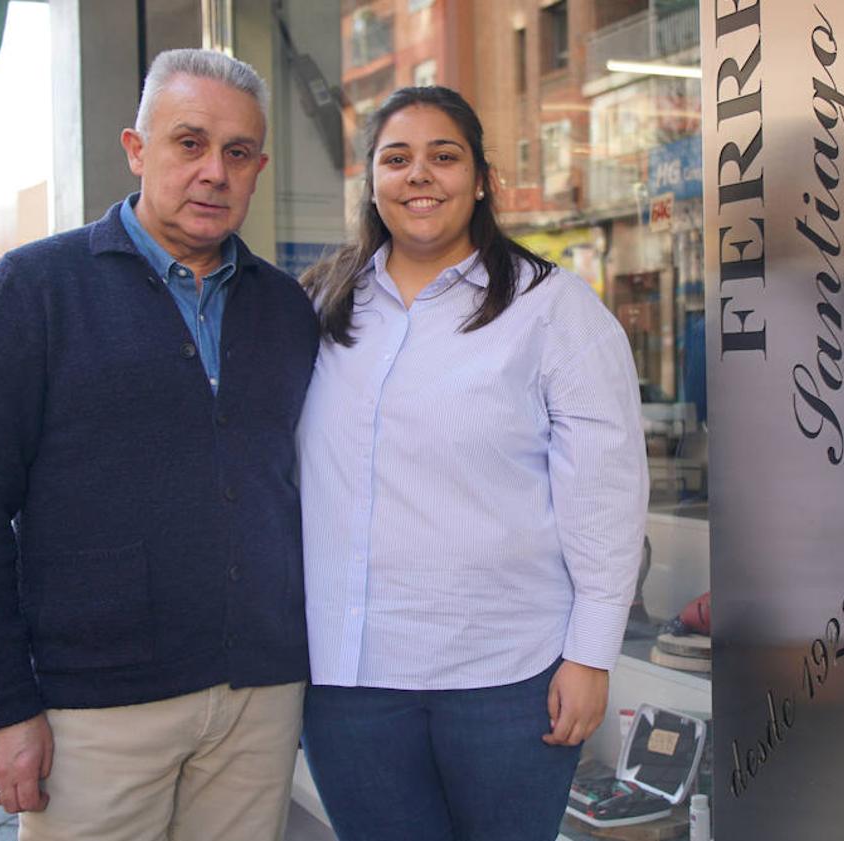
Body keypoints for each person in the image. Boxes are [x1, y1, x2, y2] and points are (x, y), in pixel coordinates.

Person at [0, 48, 317, 841]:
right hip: (94, 713)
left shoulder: (285, 310)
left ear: (259, 168)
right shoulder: (34, 291)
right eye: (189, 142)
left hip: (258, 702)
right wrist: (2, 708)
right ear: (136, 150)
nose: (214, 171)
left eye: (237, 153)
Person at [298, 86, 648, 841]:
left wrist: (590, 655)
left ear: (482, 177)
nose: (419, 175)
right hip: (349, 684)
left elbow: (607, 495)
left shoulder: (553, 310)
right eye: (397, 158)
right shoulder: (323, 306)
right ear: (373, 181)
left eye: (443, 156)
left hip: (504, 679)